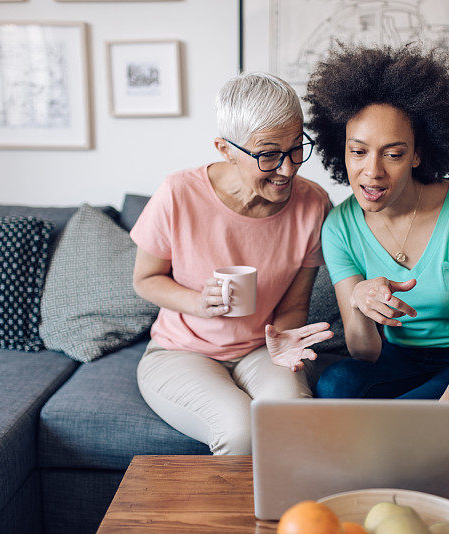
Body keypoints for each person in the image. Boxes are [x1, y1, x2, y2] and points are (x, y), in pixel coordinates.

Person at [304, 45, 449, 400]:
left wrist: (443, 411)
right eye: (358, 151)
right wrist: (359, 298)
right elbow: (365, 352)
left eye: (393, 154)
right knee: (335, 385)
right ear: (339, 148)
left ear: (418, 154)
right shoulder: (339, 227)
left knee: (408, 417)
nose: (372, 172)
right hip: (400, 357)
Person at [130, 72, 333, 454]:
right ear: (225, 149)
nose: (288, 169)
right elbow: (145, 279)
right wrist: (196, 302)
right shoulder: (178, 193)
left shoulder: (313, 205)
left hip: (261, 350)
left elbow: (293, 306)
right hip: (182, 353)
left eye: (295, 148)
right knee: (241, 431)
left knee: (291, 422)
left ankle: (297, 516)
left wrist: (285, 340)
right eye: (269, 154)